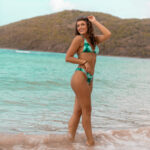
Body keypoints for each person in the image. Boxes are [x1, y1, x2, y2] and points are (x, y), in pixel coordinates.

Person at [65, 15, 111, 146]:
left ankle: (69, 141)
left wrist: (95, 21)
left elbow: (108, 34)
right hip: (80, 75)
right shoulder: (78, 39)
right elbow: (68, 57)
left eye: (83, 25)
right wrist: (83, 61)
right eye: (78, 25)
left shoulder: (94, 40)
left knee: (78, 111)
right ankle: (90, 142)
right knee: (87, 111)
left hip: (89, 79)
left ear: (88, 26)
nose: (80, 27)